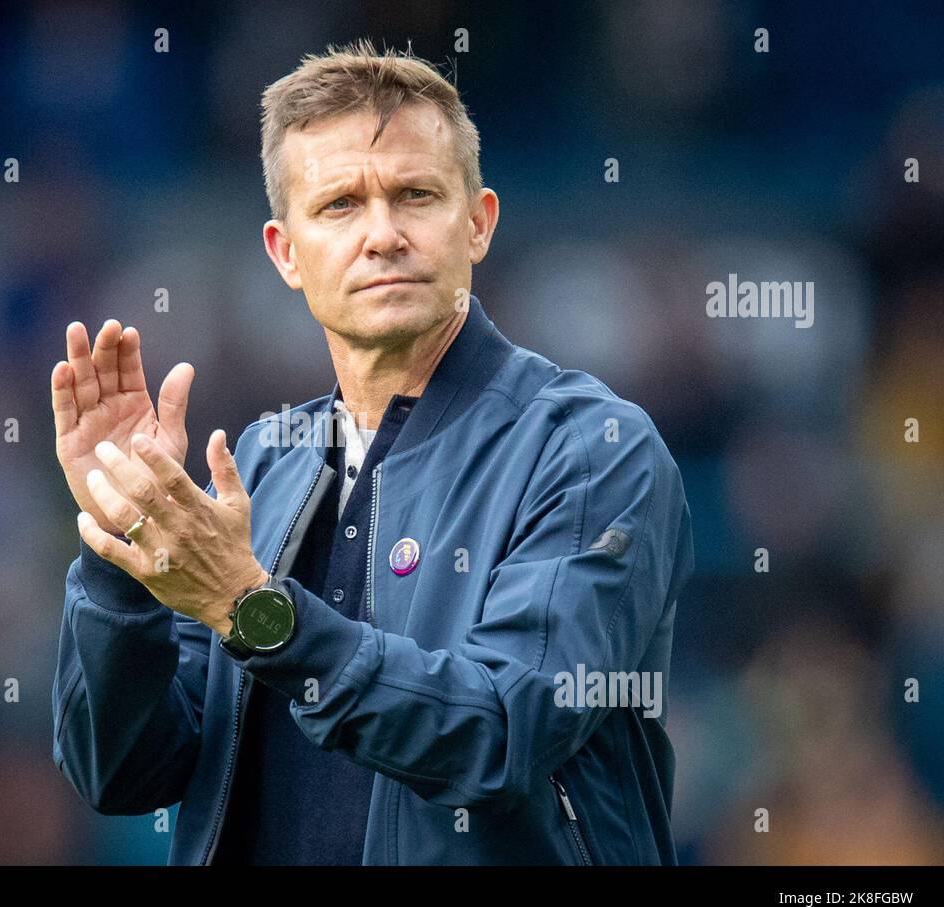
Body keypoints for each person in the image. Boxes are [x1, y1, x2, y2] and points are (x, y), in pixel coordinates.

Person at [49, 39, 694, 865]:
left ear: (478, 224)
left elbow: (498, 734)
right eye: (341, 205)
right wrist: (123, 540)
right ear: (286, 252)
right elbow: (123, 772)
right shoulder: (262, 462)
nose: (383, 234)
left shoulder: (593, 450)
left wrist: (257, 610)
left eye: (415, 195)